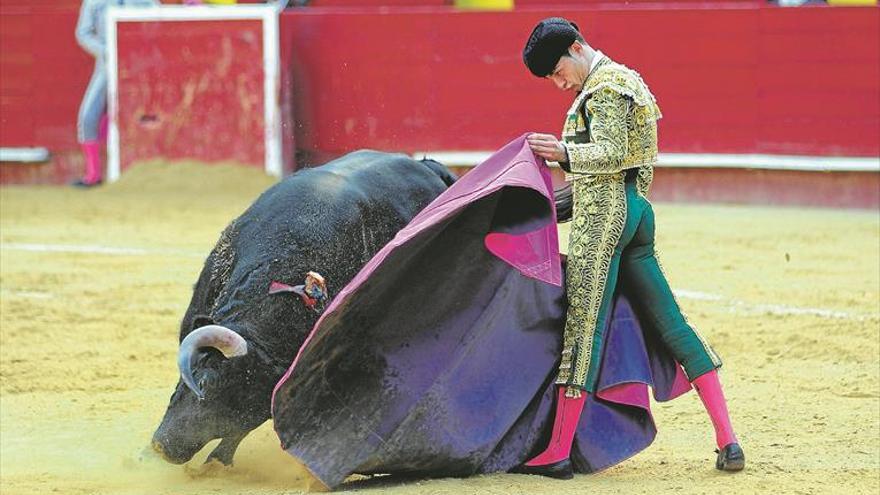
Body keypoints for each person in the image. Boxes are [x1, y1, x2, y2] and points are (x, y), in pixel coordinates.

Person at [517, 17, 745, 478]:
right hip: (637, 210)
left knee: (584, 329)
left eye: (559, 72)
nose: (560, 84)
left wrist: (563, 153)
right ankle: (728, 439)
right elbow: (636, 164)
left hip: (606, 221)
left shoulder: (602, 88)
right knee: (673, 324)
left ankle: (557, 451)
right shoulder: (629, 79)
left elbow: (611, 151)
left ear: (577, 47)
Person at [74, 0, 156, 187]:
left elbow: (156, 20)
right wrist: (107, 51)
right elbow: (83, 33)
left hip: (140, 63)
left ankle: (148, 170)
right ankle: (93, 175)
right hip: (108, 65)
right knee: (88, 116)